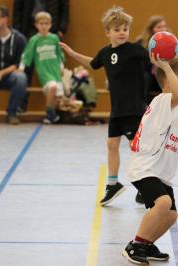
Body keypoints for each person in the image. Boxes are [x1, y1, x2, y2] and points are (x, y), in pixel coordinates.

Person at [59, 7, 149, 206]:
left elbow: (156, 61)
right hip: (117, 109)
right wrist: (72, 53)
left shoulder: (135, 50)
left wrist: (174, 58)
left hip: (133, 109)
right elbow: (93, 64)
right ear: (108, 32)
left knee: (137, 150)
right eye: (117, 29)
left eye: (125, 29)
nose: (122, 32)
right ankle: (113, 184)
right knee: (111, 144)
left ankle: (145, 187)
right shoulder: (106, 53)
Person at [122, 55, 178, 265]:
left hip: (161, 172)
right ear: (169, 80)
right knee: (163, 203)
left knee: (171, 215)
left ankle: (146, 244)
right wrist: (165, 65)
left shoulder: (175, 109)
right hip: (145, 168)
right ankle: (135, 245)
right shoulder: (163, 101)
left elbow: (176, 142)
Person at [0, 5, 27, 125]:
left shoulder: (19, 39)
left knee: (21, 78)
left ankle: (12, 113)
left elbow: (19, 64)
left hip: (9, 75)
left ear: (5, 19)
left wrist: (1, 73)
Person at [19, 11, 64, 124]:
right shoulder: (34, 39)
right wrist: (21, 67)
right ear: (36, 25)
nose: (44, 26)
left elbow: (59, 54)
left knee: (57, 95)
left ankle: (50, 117)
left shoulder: (54, 38)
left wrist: (62, 65)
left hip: (55, 69)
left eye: (46, 23)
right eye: (41, 23)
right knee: (52, 87)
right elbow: (27, 54)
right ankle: (50, 112)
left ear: (50, 24)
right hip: (43, 70)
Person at [135, 15, 168, 98]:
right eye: (159, 27)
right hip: (149, 77)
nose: (163, 29)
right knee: (145, 77)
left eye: (164, 26)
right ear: (152, 29)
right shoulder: (141, 42)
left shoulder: (170, 42)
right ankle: (142, 106)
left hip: (163, 76)